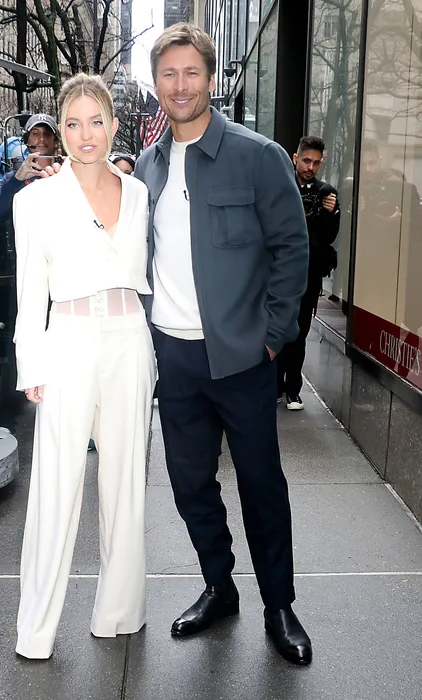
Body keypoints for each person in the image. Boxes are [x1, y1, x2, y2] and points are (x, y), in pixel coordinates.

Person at [134, 23, 312, 665]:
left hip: (241, 357)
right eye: (169, 74)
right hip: (175, 358)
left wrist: (272, 337)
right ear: (156, 83)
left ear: (211, 79)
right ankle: (219, 585)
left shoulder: (257, 156)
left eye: (191, 73)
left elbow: (292, 248)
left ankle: (279, 604)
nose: (180, 85)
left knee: (261, 485)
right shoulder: (148, 166)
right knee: (189, 484)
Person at [13, 73, 156, 659]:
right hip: (68, 338)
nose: (85, 133)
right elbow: (30, 290)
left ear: (114, 126)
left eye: (96, 121)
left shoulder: (138, 193)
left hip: (129, 338)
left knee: (125, 482)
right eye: (73, 123)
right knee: (55, 483)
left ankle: (118, 611)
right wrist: (31, 364)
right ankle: (36, 629)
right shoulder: (35, 199)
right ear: (61, 132)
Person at [0, 114, 60, 436]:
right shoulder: (14, 178)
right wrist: (18, 179)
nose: (41, 140)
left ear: (56, 141)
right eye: (35, 134)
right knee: (20, 340)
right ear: (26, 140)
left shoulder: (67, 174)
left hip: (63, 270)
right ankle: (7, 418)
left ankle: (71, 417)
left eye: (47, 135)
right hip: (26, 270)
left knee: (65, 339)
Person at [276, 136, 340, 410]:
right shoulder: (280, 186)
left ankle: (293, 390)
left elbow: (329, 237)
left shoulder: (325, 194)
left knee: (299, 332)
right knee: (277, 328)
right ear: (295, 158)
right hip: (278, 272)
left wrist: (327, 213)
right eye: (306, 161)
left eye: (315, 162)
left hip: (308, 274)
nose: (310, 167)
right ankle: (275, 386)